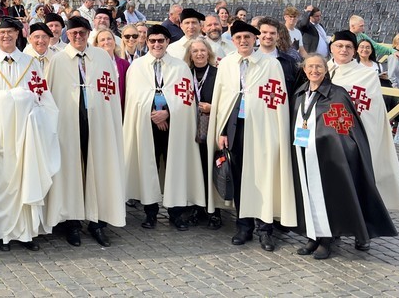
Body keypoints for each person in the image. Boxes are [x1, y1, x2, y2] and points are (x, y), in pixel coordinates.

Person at [291, 54, 397, 259]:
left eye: (319, 67)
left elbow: (344, 127)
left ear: (326, 70)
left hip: (328, 156)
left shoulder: (337, 94)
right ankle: (313, 236)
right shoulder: (300, 93)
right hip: (304, 153)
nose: (314, 70)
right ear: (304, 70)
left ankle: (326, 239)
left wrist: (334, 146)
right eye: (310, 67)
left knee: (328, 196)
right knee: (308, 195)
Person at [207, 20, 296, 252]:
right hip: (235, 128)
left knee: (264, 177)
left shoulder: (270, 64)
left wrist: (276, 131)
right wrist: (222, 131)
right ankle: (243, 226)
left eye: (247, 37)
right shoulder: (227, 64)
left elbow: (277, 99)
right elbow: (223, 99)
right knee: (238, 177)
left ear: (255, 39)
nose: (243, 41)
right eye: (238, 38)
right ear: (233, 40)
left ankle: (265, 229)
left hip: (263, 129)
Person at [0, 16, 60, 251]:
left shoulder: (31, 63)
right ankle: (0, 233)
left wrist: (30, 104)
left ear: (17, 34)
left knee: (26, 178)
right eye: (2, 33)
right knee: (1, 182)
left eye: (10, 32)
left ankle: (26, 233)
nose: (6, 36)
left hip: (27, 134)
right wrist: (19, 96)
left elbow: (41, 94)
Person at [45, 16, 125, 248]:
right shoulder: (58, 60)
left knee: (98, 169)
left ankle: (97, 222)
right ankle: (72, 222)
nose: (78, 36)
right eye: (73, 33)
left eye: (82, 32)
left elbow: (110, 93)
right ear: (67, 35)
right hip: (69, 124)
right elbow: (51, 95)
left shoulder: (102, 57)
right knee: (71, 171)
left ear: (89, 33)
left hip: (98, 123)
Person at [123, 24, 204, 231]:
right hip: (146, 125)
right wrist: (153, 114)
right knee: (147, 166)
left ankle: (175, 213)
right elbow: (134, 98)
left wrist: (167, 112)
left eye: (161, 40)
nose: (156, 44)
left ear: (168, 42)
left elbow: (186, 99)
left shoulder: (180, 67)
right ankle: (150, 212)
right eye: (153, 41)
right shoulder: (137, 67)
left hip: (174, 126)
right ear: (147, 42)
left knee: (174, 166)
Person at [326, 30, 399, 212]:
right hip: (325, 136)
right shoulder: (321, 70)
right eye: (339, 46)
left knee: (355, 179)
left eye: (348, 47)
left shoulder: (366, 75)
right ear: (331, 48)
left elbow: (372, 111)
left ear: (354, 50)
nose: (343, 50)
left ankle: (358, 221)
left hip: (353, 136)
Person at [184, 38, 223, 230]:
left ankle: (214, 211)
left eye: (202, 50)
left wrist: (212, 107)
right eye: (195, 51)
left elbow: (226, 101)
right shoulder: (184, 74)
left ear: (209, 53)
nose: (199, 54)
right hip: (190, 128)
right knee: (195, 169)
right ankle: (196, 207)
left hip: (211, 128)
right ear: (190, 56)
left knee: (210, 168)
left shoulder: (218, 74)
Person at [94, 28, 129, 106]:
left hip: (119, 107)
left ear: (114, 41)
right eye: (102, 40)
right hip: (100, 107)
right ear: (97, 44)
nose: (106, 42)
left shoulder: (125, 65)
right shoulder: (92, 65)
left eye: (109, 39)